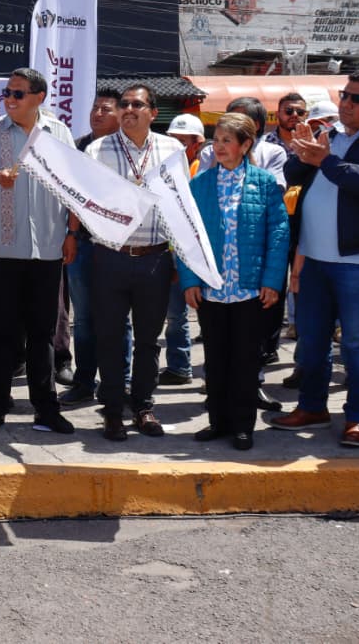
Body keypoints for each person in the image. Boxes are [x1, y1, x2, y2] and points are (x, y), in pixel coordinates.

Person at [269, 73, 359, 446]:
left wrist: (325, 161)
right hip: (314, 256)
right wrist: (302, 154)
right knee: (311, 339)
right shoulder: (331, 133)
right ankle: (312, 406)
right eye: (343, 96)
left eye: (355, 99)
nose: (345, 104)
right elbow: (294, 175)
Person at [0, 67, 75, 435]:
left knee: (42, 334)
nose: (9, 100)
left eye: (18, 94)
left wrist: (71, 233)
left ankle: (46, 408)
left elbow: (72, 187)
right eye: (7, 93)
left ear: (39, 97)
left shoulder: (58, 133)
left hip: (45, 250)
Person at [79, 84, 183, 441]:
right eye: (123, 105)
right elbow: (84, 201)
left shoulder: (172, 149)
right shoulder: (97, 149)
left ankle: (143, 406)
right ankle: (111, 411)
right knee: (108, 336)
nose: (128, 110)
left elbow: (181, 205)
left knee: (149, 340)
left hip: (155, 257)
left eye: (137, 105)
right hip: (110, 256)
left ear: (154, 113)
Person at [181, 113, 289, 451]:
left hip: (249, 289)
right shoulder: (199, 184)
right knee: (215, 359)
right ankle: (218, 421)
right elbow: (186, 237)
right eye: (217, 140)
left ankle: (243, 426)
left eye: (228, 140)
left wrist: (272, 280)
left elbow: (279, 234)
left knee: (245, 360)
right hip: (211, 290)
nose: (220, 146)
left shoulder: (265, 183)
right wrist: (190, 280)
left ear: (246, 145)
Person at [60, 88, 130, 406]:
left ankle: (122, 382)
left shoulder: (131, 148)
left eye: (106, 109)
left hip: (122, 246)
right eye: (95, 108)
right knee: (84, 317)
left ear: (120, 115)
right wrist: (71, 236)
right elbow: (72, 197)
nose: (97, 113)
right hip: (84, 244)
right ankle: (85, 381)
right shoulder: (78, 148)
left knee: (119, 318)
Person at [159, 112, 208, 386]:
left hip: (191, 253)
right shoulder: (165, 169)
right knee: (174, 313)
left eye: (182, 141)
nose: (176, 146)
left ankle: (181, 366)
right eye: (173, 140)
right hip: (169, 251)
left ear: (196, 143)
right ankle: (179, 366)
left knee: (180, 314)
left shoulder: (201, 170)